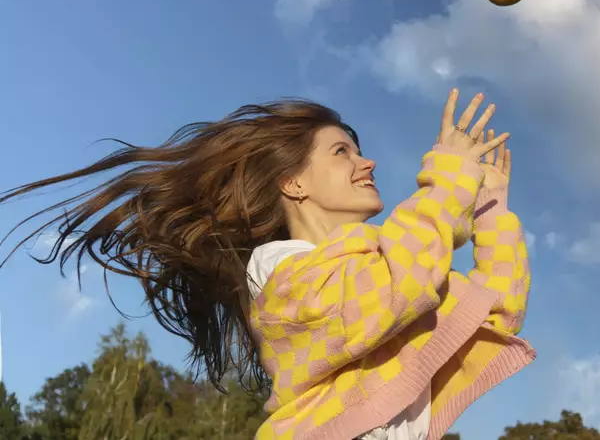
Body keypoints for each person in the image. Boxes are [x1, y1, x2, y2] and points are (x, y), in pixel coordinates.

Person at [0, 88, 533, 439]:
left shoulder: (380, 271)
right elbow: (404, 279)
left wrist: (488, 208)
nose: (366, 161)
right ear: (293, 183)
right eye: (342, 151)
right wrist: (447, 180)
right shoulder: (285, 278)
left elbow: (493, 317)